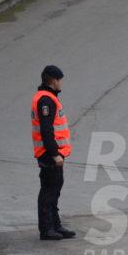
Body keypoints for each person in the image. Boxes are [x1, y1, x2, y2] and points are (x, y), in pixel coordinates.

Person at [32, 65, 75, 240]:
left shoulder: (48, 98)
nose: (61, 83)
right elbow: (46, 130)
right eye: (60, 80)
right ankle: (46, 229)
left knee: (55, 189)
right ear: (54, 80)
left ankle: (55, 225)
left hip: (53, 153)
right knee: (49, 191)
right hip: (49, 154)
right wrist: (54, 154)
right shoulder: (46, 101)